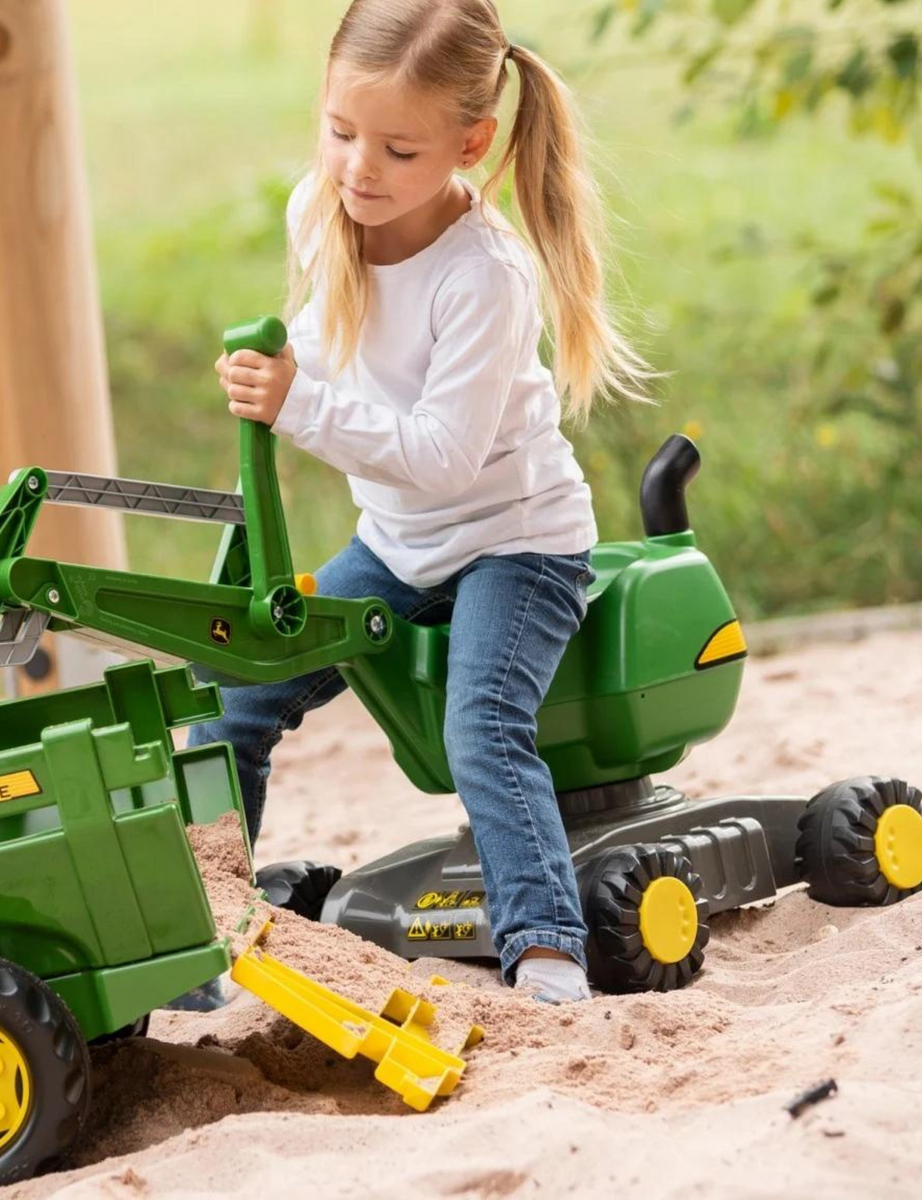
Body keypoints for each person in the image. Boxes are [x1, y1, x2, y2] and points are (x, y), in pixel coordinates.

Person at [191, 0, 650, 1003]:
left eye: (398, 150)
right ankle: (202, 938)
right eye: (342, 131)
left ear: (469, 142)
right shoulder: (324, 210)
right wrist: (281, 371)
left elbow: (444, 458)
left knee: (479, 724)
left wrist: (301, 402)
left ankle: (546, 952)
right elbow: (329, 336)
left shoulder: (484, 276)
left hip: (515, 542)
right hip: (398, 545)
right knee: (235, 692)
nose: (360, 169)